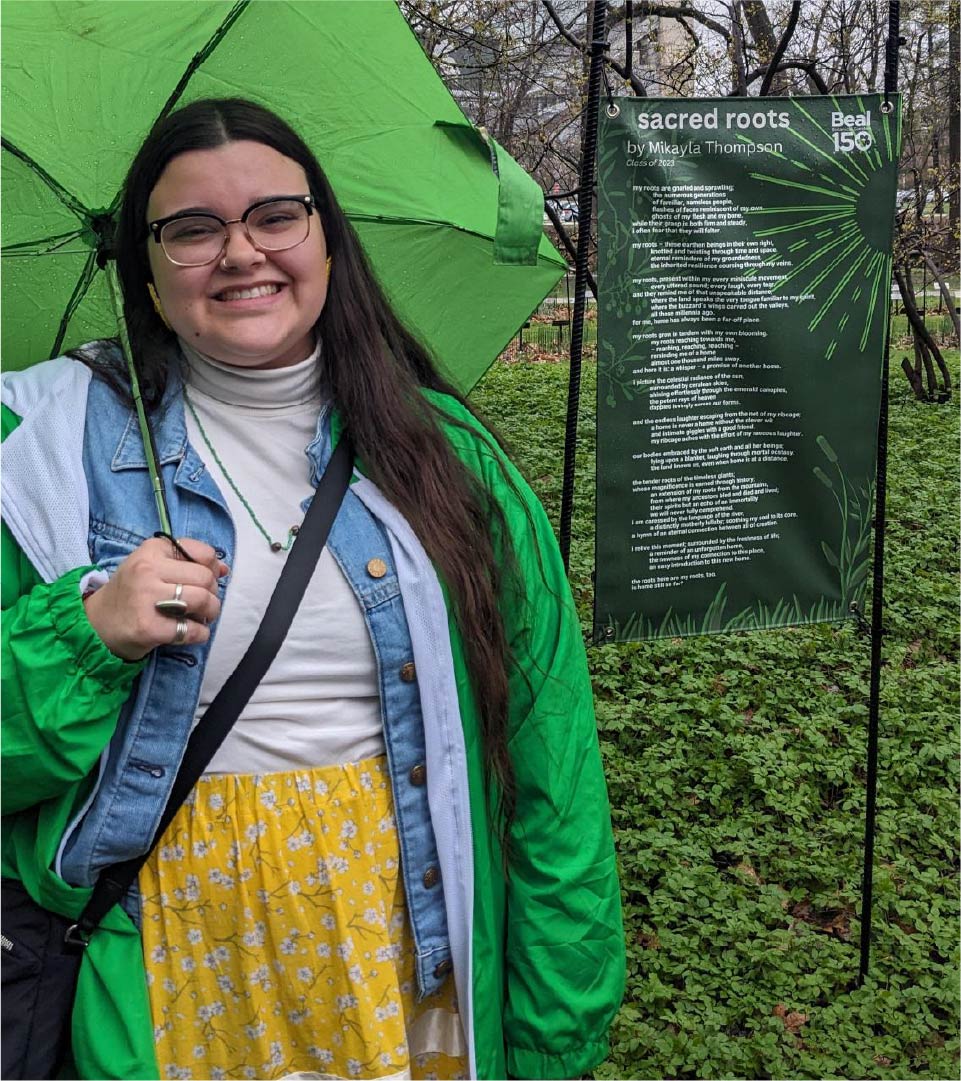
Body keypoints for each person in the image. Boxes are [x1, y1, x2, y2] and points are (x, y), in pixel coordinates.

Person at [1, 98, 624, 1081]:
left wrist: (555, 1029)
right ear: (150, 272)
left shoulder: (448, 463)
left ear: (327, 241)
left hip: (413, 951)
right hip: (168, 971)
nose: (241, 251)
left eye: (275, 216)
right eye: (192, 228)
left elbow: (550, 769)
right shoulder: (43, 459)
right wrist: (87, 636)